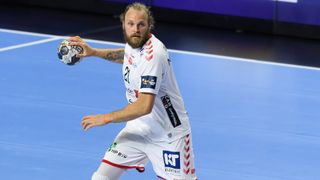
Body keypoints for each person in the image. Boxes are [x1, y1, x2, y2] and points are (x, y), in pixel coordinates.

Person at [69, 2, 197, 180]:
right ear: (123, 24)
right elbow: (128, 56)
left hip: (168, 134)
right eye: (131, 24)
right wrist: (94, 52)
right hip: (139, 127)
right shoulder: (134, 43)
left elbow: (144, 106)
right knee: (101, 177)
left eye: (141, 25)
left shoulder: (154, 55)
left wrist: (105, 118)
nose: (135, 29)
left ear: (149, 26)